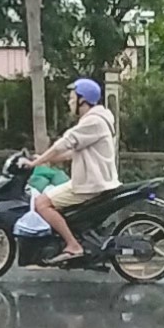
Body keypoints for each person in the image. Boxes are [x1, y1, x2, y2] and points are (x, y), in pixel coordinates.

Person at [31, 77, 119, 263]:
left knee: (41, 203)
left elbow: (64, 143)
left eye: (72, 98)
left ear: (83, 101)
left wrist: (36, 162)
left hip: (90, 184)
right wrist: (45, 159)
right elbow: (74, 152)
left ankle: (73, 245)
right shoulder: (100, 118)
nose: (69, 102)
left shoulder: (92, 122)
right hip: (96, 180)